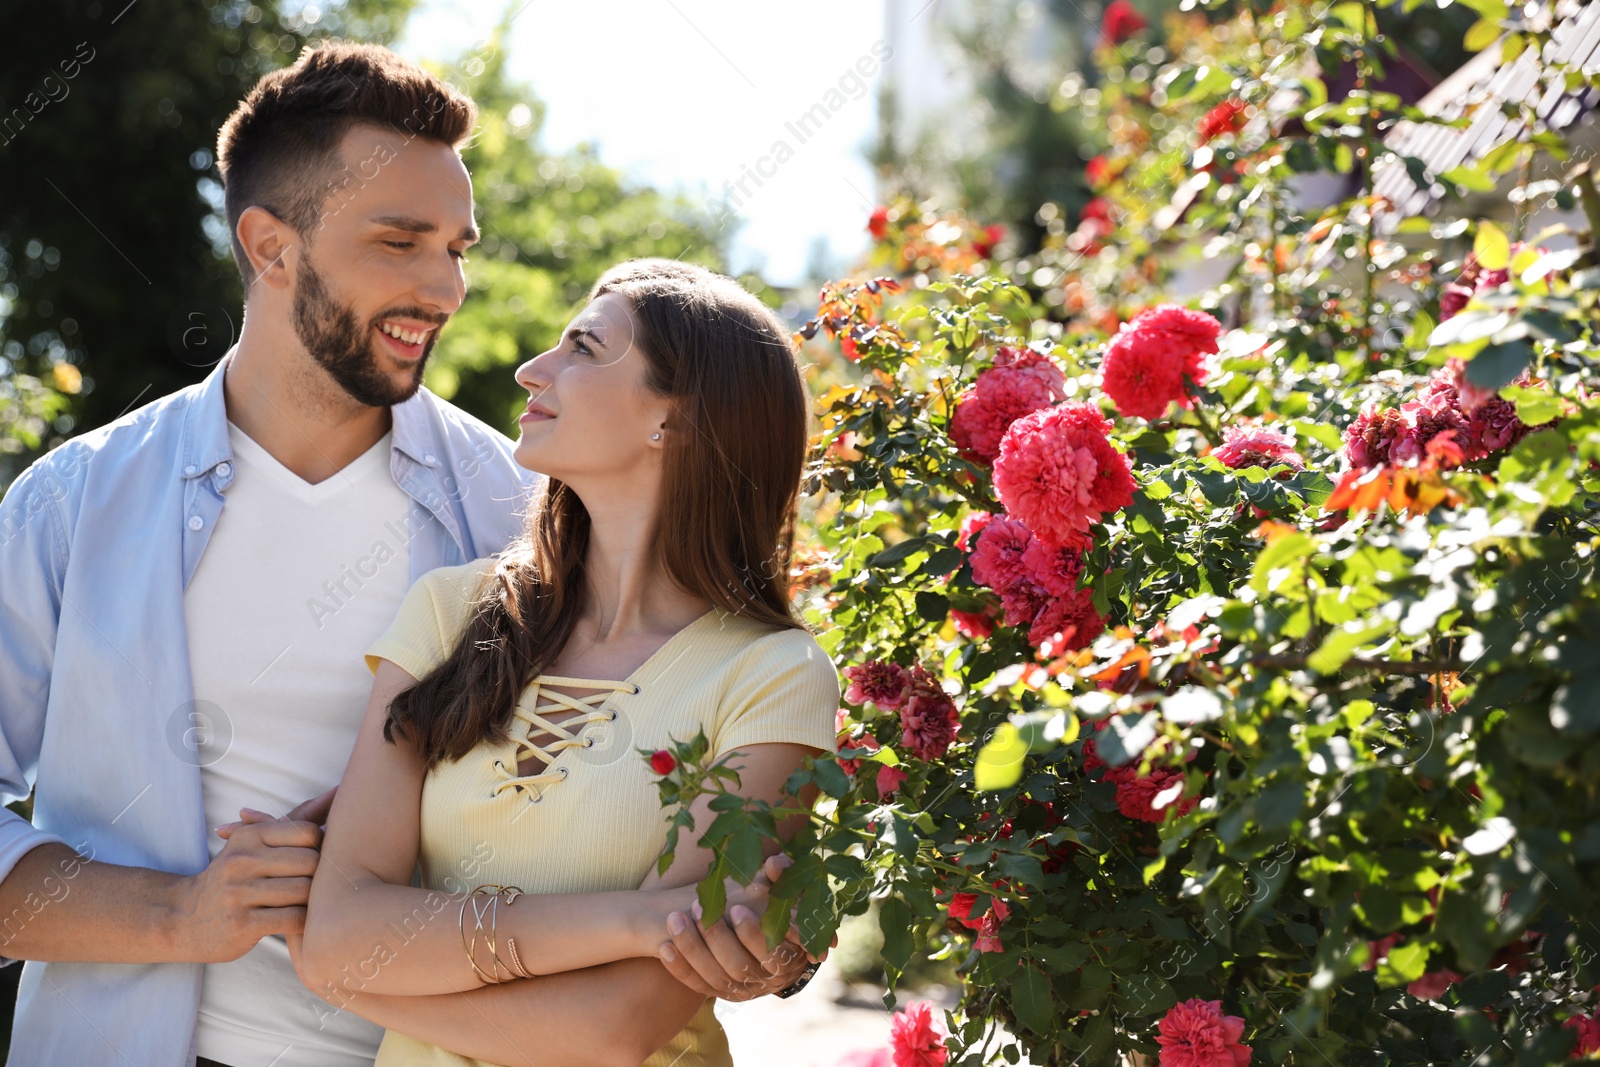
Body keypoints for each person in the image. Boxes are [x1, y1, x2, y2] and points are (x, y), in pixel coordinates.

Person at [0, 42, 806, 1067]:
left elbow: (680, 786)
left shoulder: (522, 515)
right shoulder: (75, 506)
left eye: (458, 247)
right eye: (399, 242)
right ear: (271, 245)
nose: (444, 286)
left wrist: (768, 925)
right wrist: (178, 914)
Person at [295, 258, 840, 1067]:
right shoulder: (450, 611)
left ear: (677, 417)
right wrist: (632, 919)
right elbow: (344, 928)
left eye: (584, 348)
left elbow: (615, 1029)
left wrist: (351, 974)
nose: (531, 369)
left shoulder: (775, 675)